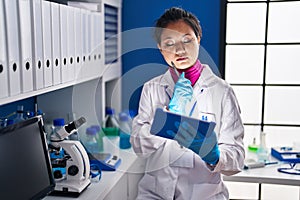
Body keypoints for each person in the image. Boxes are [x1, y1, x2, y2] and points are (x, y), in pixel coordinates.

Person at [130, 7, 245, 200]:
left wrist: (214, 156)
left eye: (187, 40)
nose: (180, 50)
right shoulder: (152, 88)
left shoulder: (222, 91)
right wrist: (166, 118)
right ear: (160, 48)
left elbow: (237, 157)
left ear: (198, 39)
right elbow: (139, 146)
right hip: (154, 194)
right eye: (169, 43)